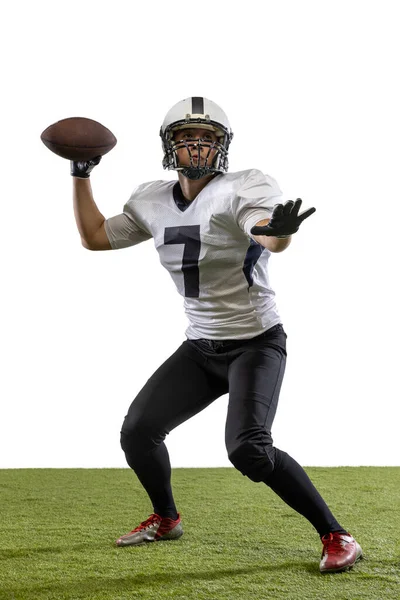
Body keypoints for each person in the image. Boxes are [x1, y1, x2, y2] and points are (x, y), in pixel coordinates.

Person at [71, 97, 363, 573]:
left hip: (255, 342)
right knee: (138, 432)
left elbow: (266, 232)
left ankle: (337, 534)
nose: (198, 146)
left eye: (208, 138)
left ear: (223, 146)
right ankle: (167, 519)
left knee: (248, 448)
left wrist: (279, 233)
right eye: (187, 137)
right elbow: (96, 237)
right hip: (202, 345)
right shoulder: (151, 198)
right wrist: (81, 174)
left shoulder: (244, 186)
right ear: (170, 146)